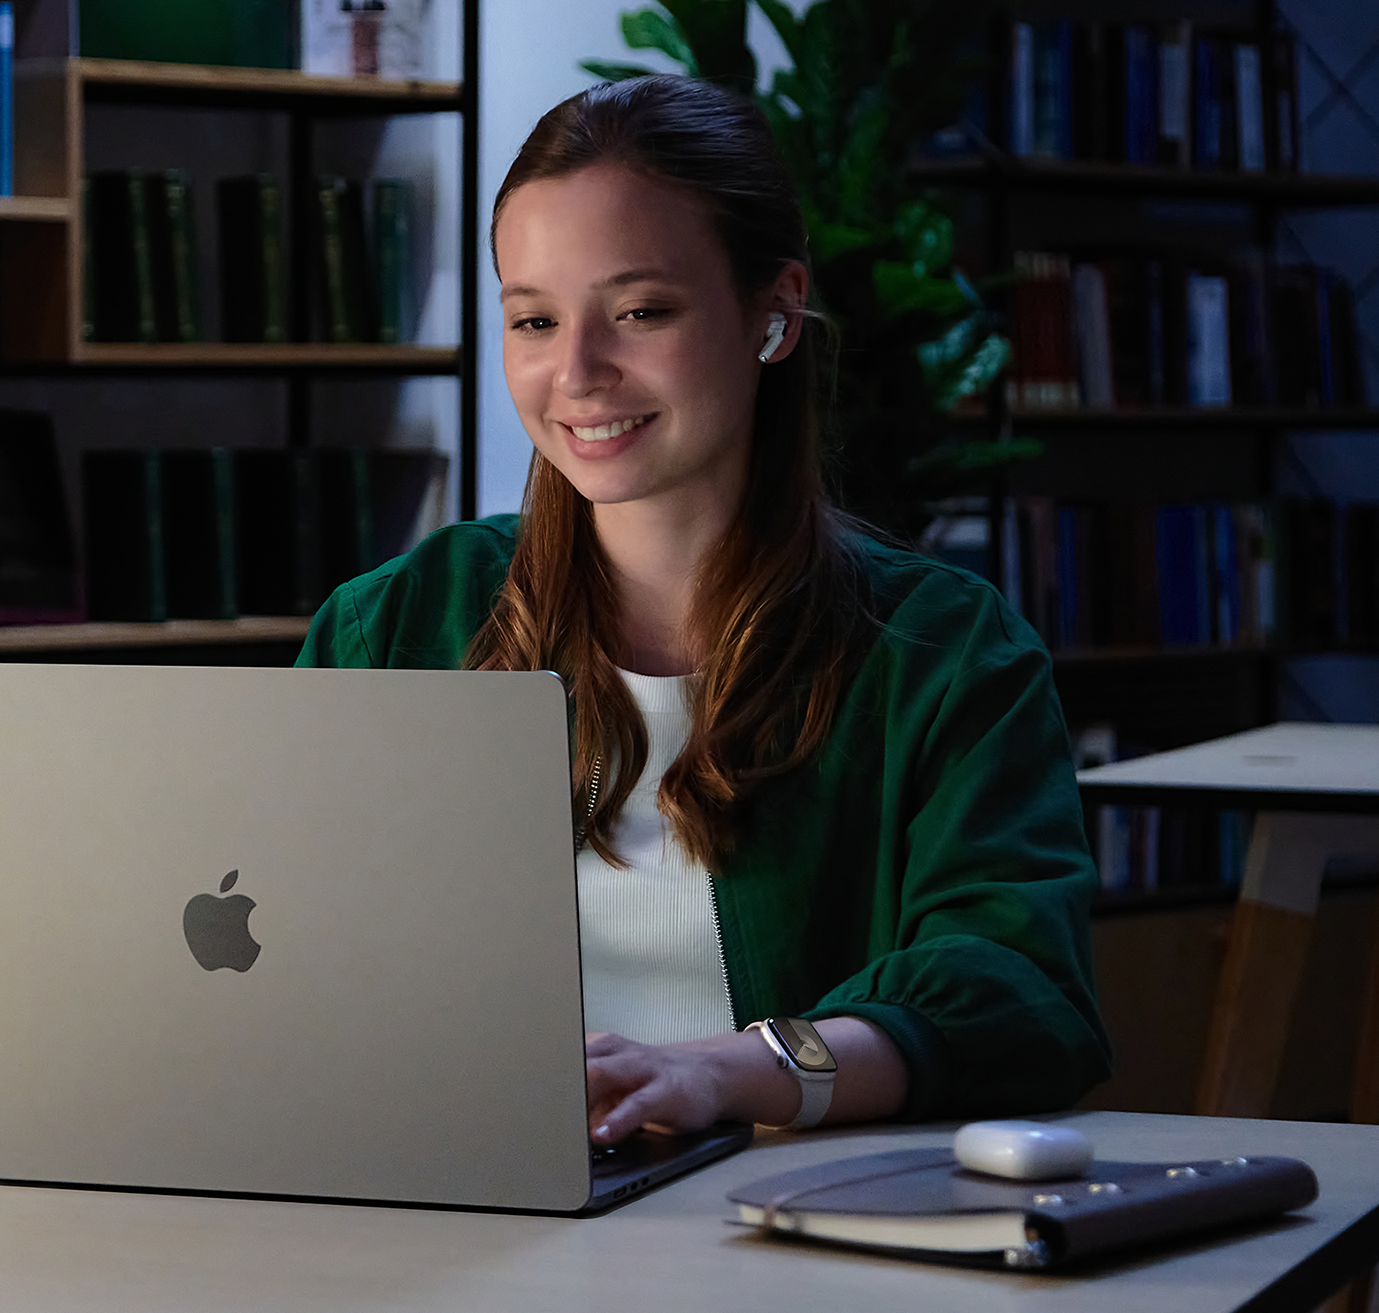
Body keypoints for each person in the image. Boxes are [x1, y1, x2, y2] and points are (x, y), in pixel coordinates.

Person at [297, 74, 1111, 1144]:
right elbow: (283, 958)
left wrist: (736, 1074)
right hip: (462, 1207)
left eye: (638, 311)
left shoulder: (941, 651)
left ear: (772, 313)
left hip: (789, 1222)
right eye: (533, 319)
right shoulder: (393, 627)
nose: (577, 372)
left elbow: (1016, 994)